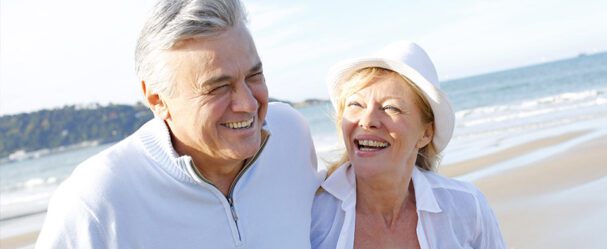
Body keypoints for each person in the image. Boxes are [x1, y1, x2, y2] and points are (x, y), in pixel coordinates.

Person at [35, 0, 321, 248]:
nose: (248, 104)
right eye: (219, 87)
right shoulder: (96, 201)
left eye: (253, 76)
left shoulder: (291, 133)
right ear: (157, 99)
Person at [310, 41, 507, 249]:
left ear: (426, 133)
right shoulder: (312, 212)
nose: (367, 120)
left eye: (390, 107)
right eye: (356, 104)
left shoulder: (467, 207)